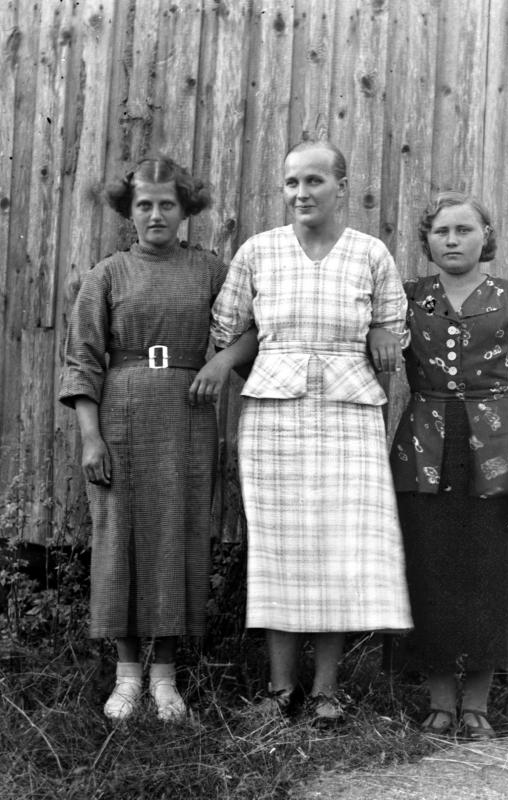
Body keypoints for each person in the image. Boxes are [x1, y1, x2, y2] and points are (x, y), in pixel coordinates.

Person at [190, 139, 412, 724]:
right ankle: (279, 689)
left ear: (341, 186)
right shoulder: (259, 251)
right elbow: (232, 332)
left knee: (339, 547)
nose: (301, 193)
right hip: (275, 416)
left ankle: (325, 692)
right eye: (292, 182)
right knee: (280, 549)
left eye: (314, 181)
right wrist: (237, 363)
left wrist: (382, 334)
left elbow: (394, 327)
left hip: (349, 412)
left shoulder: (370, 253)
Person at [59, 155, 254, 722]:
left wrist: (220, 362)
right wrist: (91, 438)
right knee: (118, 536)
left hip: (188, 416)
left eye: (167, 204)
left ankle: (165, 678)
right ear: (129, 211)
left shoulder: (210, 271)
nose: (156, 214)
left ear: (185, 208)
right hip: (120, 415)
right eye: (144, 204)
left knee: (178, 534)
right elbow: (82, 361)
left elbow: (251, 331)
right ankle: (126, 677)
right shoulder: (108, 274)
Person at [390, 191, 508, 739]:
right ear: (427, 240)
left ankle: (477, 705)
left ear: (485, 237)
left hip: (497, 449)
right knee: (431, 567)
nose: (452, 240)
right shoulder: (407, 298)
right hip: (424, 447)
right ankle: (441, 702)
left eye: (464, 230)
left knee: (490, 572)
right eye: (441, 231)